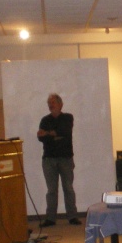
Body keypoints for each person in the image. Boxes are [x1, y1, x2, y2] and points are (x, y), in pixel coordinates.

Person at [37, 93, 80, 226]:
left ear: (60, 104)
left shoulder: (68, 117)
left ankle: (72, 216)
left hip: (65, 158)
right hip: (49, 160)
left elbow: (65, 132)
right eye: (49, 103)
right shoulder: (45, 120)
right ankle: (50, 218)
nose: (50, 105)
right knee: (51, 190)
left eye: (53, 102)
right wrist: (55, 134)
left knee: (68, 188)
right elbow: (40, 137)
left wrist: (49, 133)